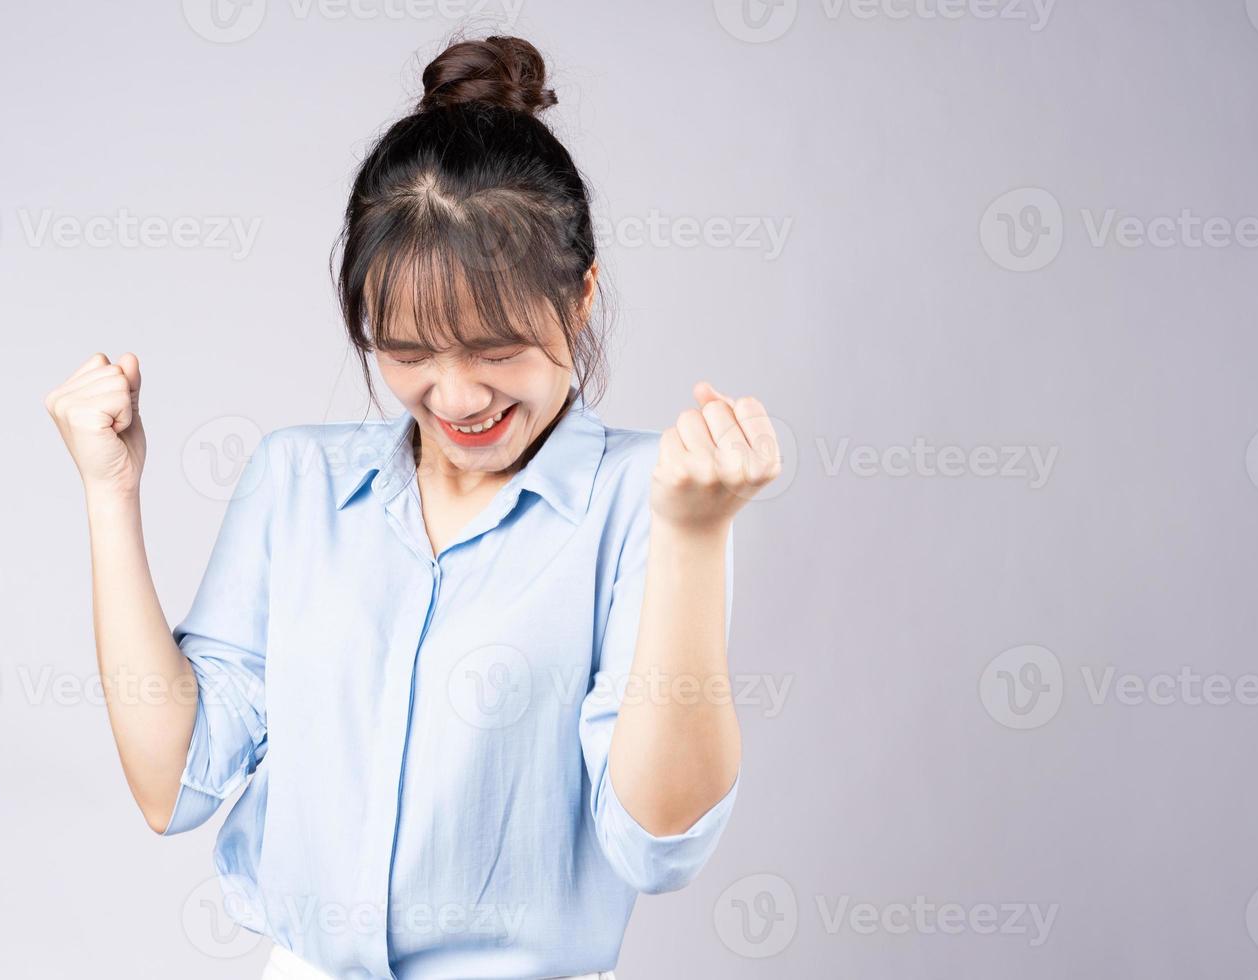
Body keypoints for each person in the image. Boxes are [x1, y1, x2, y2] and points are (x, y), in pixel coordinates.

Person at [43, 33, 781, 980]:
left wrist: (694, 536)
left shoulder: (648, 502)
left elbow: (658, 839)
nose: (457, 397)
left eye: (497, 348)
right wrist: (111, 494)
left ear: (581, 298)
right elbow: (169, 782)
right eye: (406, 352)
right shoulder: (296, 483)